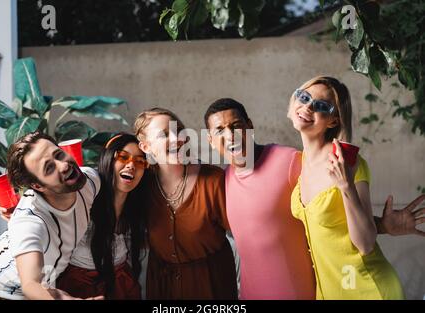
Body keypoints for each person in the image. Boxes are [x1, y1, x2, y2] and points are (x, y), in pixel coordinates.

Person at [204, 98, 425, 299]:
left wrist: (382, 226)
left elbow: (332, 216)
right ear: (211, 140)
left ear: (249, 126)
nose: (230, 136)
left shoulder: (289, 161)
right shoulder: (222, 182)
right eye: (220, 130)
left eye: (236, 126)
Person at [288, 76, 404, 299]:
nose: (307, 107)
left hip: (366, 288)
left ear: (333, 121)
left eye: (321, 106)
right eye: (304, 97)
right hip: (331, 291)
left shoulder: (348, 164)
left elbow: (365, 243)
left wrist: (346, 186)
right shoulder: (299, 163)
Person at [0, 132, 102, 300]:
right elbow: (31, 285)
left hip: (50, 279)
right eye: (49, 168)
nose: (64, 165)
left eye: (59, 154)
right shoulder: (29, 221)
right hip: (6, 286)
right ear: (37, 185)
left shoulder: (90, 181)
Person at [134, 107, 237, 299]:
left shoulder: (213, 180)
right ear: (146, 147)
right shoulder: (142, 184)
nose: (176, 138)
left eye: (179, 130)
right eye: (164, 134)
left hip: (210, 284)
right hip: (162, 285)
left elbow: (244, 234)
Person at [56, 133, 149, 299]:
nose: (131, 165)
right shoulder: (85, 198)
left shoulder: (138, 209)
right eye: (123, 157)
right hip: (76, 289)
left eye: (140, 161)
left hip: (122, 288)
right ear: (108, 159)